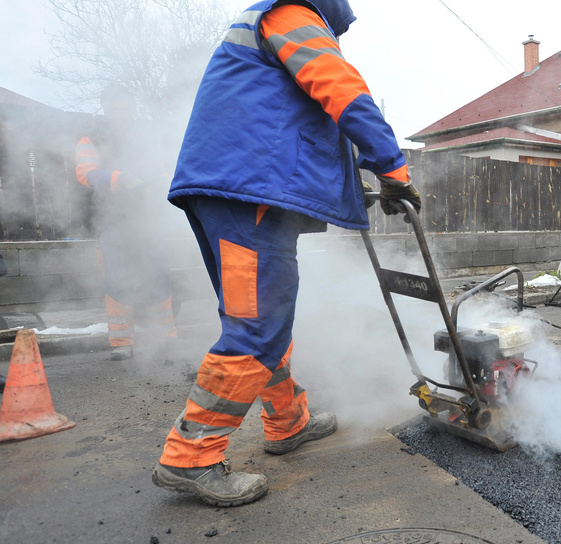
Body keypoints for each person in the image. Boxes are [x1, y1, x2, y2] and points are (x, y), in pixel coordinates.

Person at [150, 0, 421, 507]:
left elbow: (294, 116)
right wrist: (393, 167)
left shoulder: (274, 21)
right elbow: (340, 87)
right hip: (247, 190)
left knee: (267, 316)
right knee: (256, 327)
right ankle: (191, 455)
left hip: (242, 189)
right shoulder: (293, 13)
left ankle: (286, 422)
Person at [75, 84, 179, 361]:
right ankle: (121, 342)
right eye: (115, 105)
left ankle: (164, 339)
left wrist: (159, 182)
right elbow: (85, 173)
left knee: (158, 278)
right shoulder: (91, 138)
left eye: (126, 105)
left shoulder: (147, 134)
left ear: (133, 107)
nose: (122, 110)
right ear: (106, 108)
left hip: (148, 220)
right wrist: (118, 177)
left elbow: (164, 167)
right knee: (118, 282)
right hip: (112, 222)